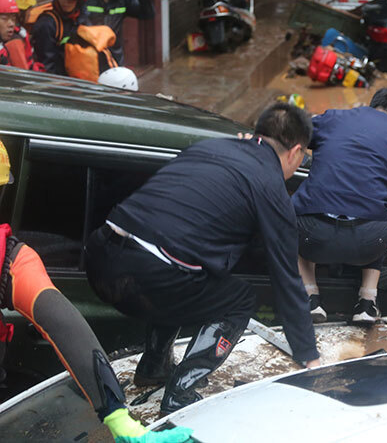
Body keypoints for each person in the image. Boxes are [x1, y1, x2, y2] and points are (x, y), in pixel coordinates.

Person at [84, 103, 321, 415]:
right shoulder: (270, 186)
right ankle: (180, 393)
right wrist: (308, 354)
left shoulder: (210, 147)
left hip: (100, 255)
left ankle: (154, 366)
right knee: (238, 299)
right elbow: (287, 278)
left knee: (190, 273)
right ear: (296, 151)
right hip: (149, 274)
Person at [0, 140, 191, 443]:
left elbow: (63, 323)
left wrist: (116, 413)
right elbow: (63, 323)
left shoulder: (11, 260)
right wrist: (116, 415)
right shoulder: (11, 259)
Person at [292, 86, 387, 324]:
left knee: (292, 211)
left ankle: (310, 297)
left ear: (373, 106)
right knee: (381, 215)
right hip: (369, 243)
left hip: (312, 236)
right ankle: (367, 303)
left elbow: (291, 130)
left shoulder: (333, 118)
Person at [32, 0, 89, 75]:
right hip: (61, 82)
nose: (65, 2)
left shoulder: (82, 17)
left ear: (79, 1)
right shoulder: (47, 24)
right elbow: (47, 66)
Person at [0, 0, 43, 71]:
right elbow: (22, 77)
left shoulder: (19, 33)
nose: (11, 24)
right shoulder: (14, 41)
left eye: (13, 18)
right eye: (4, 18)